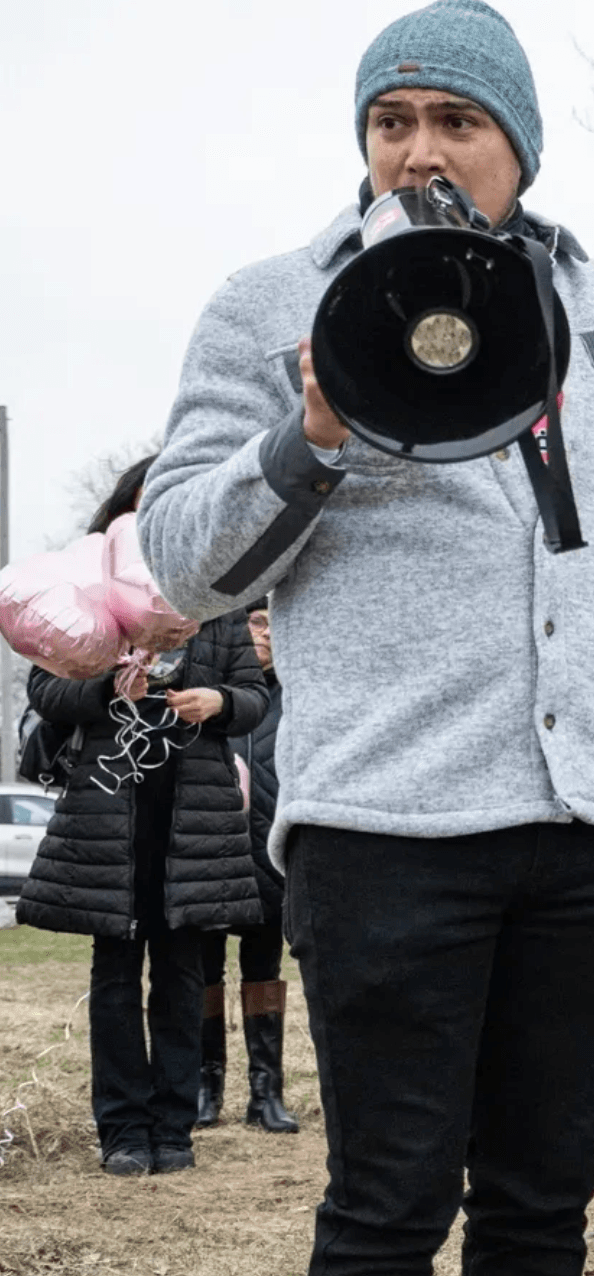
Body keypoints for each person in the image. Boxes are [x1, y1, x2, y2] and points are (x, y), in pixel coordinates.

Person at [135, 0, 594, 1276]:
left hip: (590, 830)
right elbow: (185, 565)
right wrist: (312, 435)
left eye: (458, 120)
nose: (420, 151)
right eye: (391, 123)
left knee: (543, 1212)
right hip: (386, 834)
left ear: (522, 146)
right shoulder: (274, 304)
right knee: (388, 1213)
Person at [17, 458, 268, 1177]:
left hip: (194, 817)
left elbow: (254, 695)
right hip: (109, 812)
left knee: (184, 975)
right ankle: (123, 1128)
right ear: (121, 511)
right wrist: (106, 680)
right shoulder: (81, 590)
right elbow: (48, 693)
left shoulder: (217, 599)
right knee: (116, 976)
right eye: (141, 503)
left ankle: (174, 1124)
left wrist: (217, 703)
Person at [196, 600, 298, 1135]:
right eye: (253, 622)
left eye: (272, 624)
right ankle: (205, 1084)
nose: (263, 634)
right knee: (203, 971)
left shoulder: (300, 694)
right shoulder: (212, 696)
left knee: (264, 972)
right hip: (212, 854)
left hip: (271, 857)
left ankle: (266, 1091)